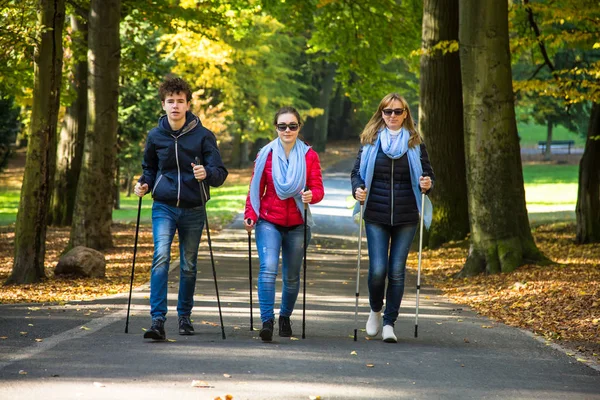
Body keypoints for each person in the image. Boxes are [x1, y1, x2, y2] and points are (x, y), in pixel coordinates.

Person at [134, 76, 228, 341]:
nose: (175, 106)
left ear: (188, 104)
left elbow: (220, 173)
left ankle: (184, 317)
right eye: (170, 101)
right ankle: (157, 320)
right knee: (161, 257)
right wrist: (144, 184)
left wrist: (205, 172)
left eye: (180, 101)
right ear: (163, 105)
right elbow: (149, 169)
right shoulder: (155, 136)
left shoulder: (203, 136)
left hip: (193, 207)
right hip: (163, 206)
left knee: (188, 264)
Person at [350, 93, 434, 343]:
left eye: (398, 111)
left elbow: (428, 175)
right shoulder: (370, 141)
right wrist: (357, 188)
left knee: (396, 271)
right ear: (381, 113)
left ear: (406, 113)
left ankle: (389, 322)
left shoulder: (415, 143)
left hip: (407, 215)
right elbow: (356, 173)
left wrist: (427, 184)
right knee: (378, 270)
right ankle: (375, 309)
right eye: (388, 112)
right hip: (375, 213)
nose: (393, 116)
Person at [243, 106, 324, 341]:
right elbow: (255, 188)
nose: (287, 130)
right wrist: (251, 214)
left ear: (299, 127)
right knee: (268, 268)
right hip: (269, 220)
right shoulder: (265, 154)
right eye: (282, 126)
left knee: (291, 275)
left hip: (298, 222)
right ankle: (266, 321)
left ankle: (285, 317)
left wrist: (312, 196)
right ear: (276, 128)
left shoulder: (310, 155)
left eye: (292, 126)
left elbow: (317, 188)